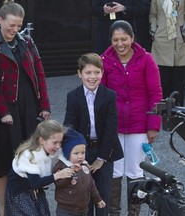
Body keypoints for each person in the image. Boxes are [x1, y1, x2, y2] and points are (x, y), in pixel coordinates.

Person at [0, 1, 51, 215]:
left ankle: (29, 208)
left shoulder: (27, 40)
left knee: (31, 161)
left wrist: (44, 105)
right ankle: (4, 210)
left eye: (18, 26)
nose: (15, 30)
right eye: (11, 25)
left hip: (30, 108)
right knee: (5, 164)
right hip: (7, 110)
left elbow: (40, 73)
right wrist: (3, 112)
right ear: (0, 20)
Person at [101, 20, 162, 216]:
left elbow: (155, 93)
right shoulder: (104, 60)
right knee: (115, 171)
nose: (120, 44)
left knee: (135, 171)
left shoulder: (146, 59)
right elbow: (100, 95)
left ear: (132, 38)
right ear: (111, 40)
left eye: (124, 39)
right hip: (114, 125)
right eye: (116, 40)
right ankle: (114, 213)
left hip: (139, 124)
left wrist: (154, 125)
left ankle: (134, 213)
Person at [64, 53, 123, 216]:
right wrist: (75, 156)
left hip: (104, 151)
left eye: (96, 72)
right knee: (84, 197)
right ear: (79, 74)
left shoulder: (109, 95)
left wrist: (101, 159)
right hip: (82, 152)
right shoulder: (73, 96)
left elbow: (112, 129)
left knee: (103, 196)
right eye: (88, 73)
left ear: (102, 73)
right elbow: (69, 127)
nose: (92, 77)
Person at [4, 119, 73, 215]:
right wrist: (57, 176)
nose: (58, 146)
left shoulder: (52, 152)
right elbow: (35, 182)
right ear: (41, 140)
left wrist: (73, 167)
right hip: (20, 192)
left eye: (60, 142)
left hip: (35, 191)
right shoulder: (30, 156)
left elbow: (65, 160)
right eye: (55, 142)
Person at [149, 0, 185, 106]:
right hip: (161, 41)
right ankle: (164, 118)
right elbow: (153, 15)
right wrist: (153, 31)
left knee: (178, 87)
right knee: (162, 86)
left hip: (179, 43)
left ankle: (178, 117)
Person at [53, 128, 106, 216]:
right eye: (76, 153)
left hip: (83, 209)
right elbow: (59, 184)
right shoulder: (61, 166)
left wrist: (98, 199)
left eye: (83, 152)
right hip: (66, 210)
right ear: (67, 152)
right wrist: (71, 173)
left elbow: (91, 185)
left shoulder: (84, 165)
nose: (80, 156)